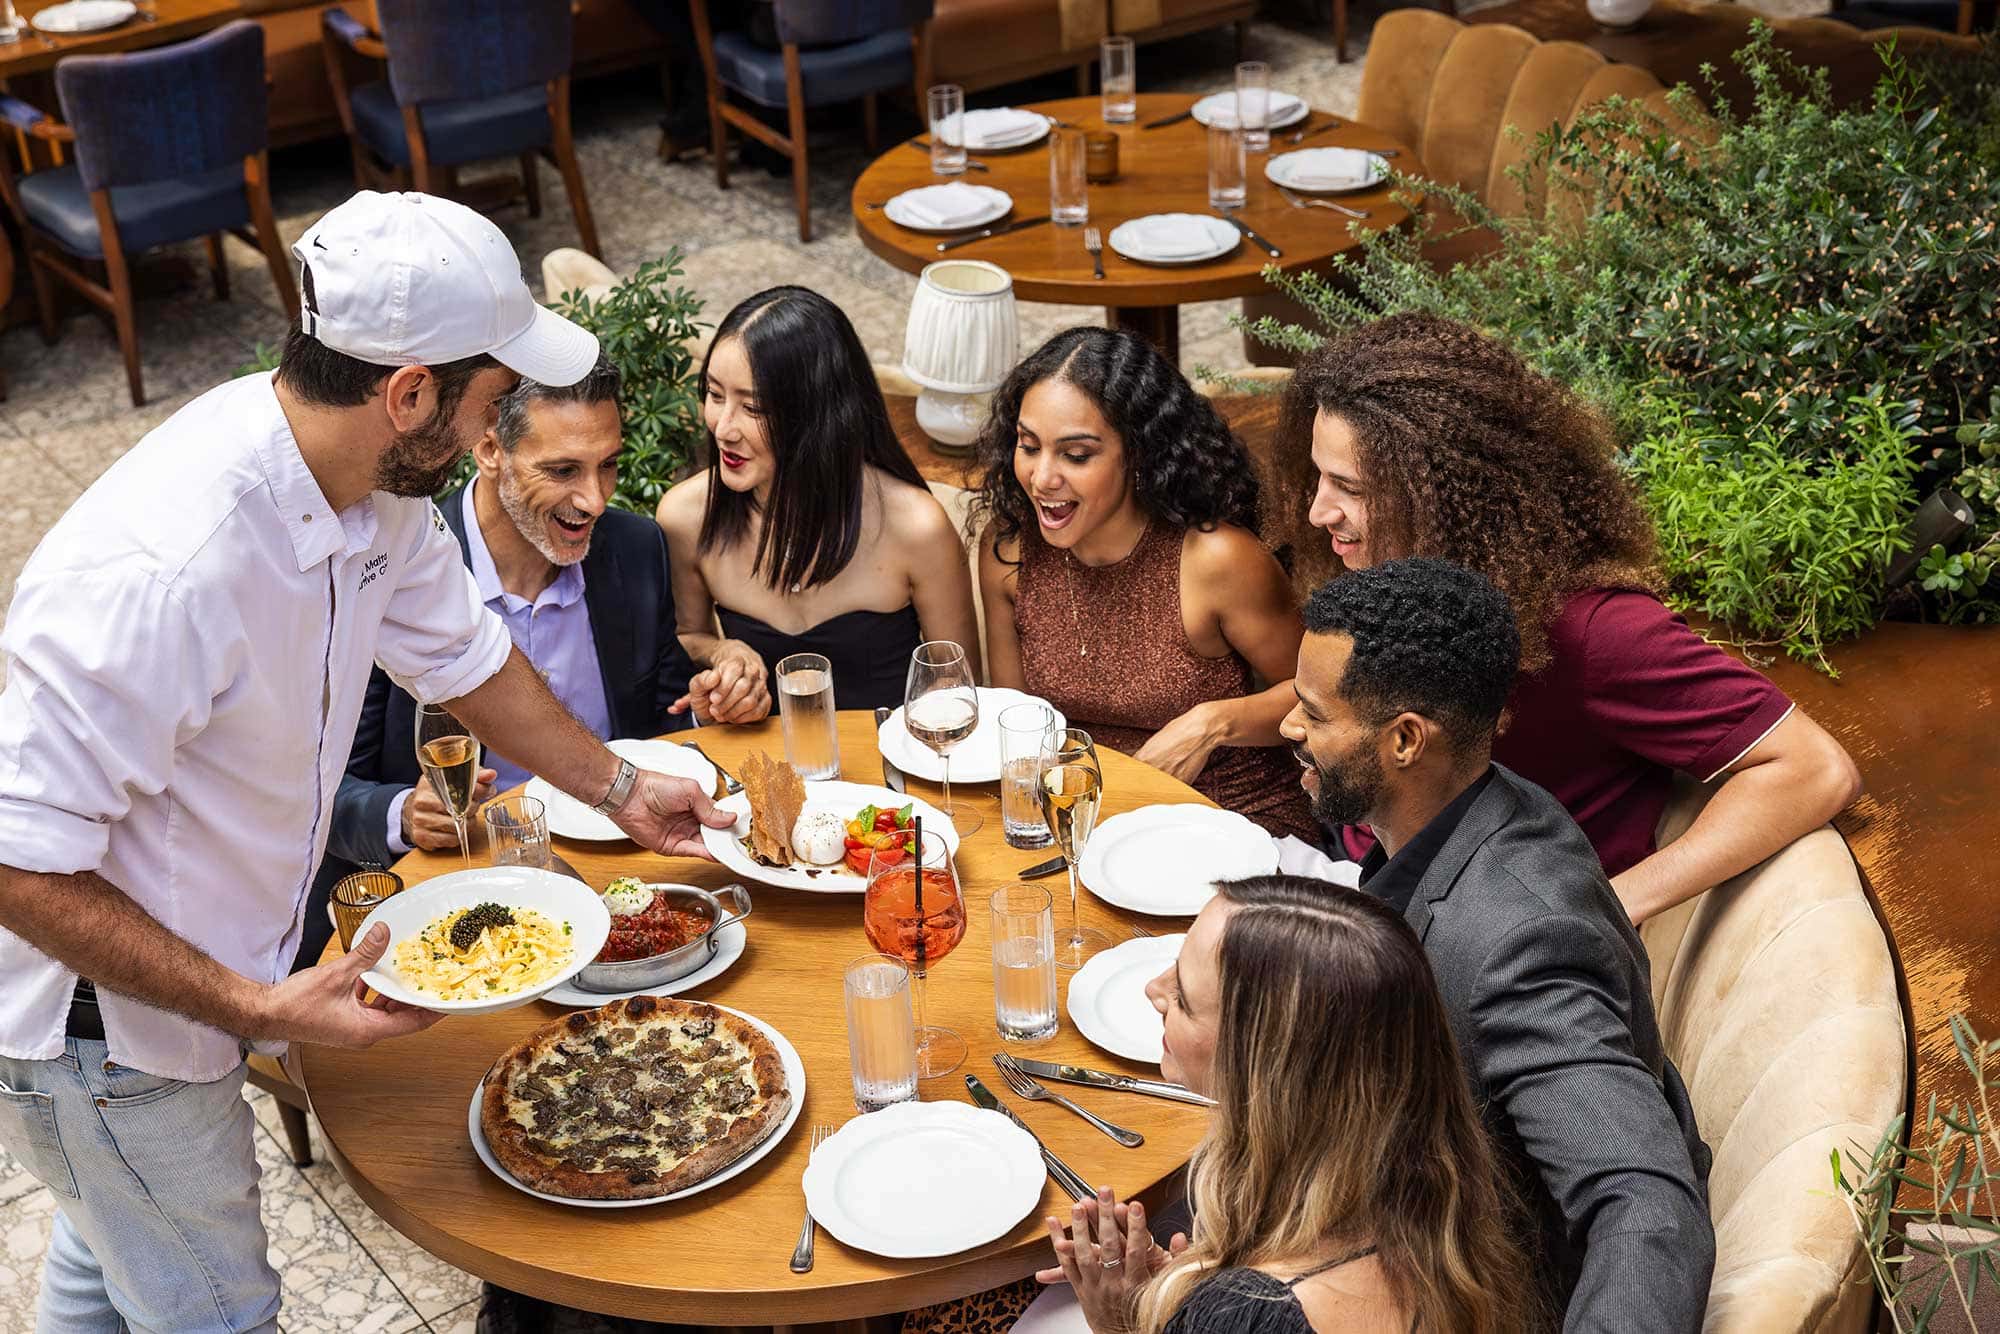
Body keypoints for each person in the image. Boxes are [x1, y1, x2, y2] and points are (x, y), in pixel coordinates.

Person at [0, 191, 735, 1333]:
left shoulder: (373, 487)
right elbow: (14, 861)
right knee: (214, 1311)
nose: (495, 421)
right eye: (493, 397)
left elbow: (474, 663)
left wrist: (624, 788)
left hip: (175, 987)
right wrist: (255, 999)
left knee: (104, 1263)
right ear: (410, 395)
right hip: (105, 1032)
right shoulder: (167, 566)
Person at [1284, 313, 1862, 922]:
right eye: (1319, 476)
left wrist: (1611, 908)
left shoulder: (1593, 630)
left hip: (1467, 930)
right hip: (1358, 865)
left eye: (1351, 488)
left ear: (1447, 492)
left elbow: (1814, 768)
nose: (1321, 511)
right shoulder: (1396, 573)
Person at [1281, 557, 1715, 1328]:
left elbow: (1645, 1203)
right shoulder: (1486, 803)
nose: (1290, 728)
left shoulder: (1522, 947)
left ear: (1406, 740)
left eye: (1314, 714)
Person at [295, 355, 772, 973]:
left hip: (620, 869)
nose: (595, 500)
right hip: (459, 894)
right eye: (563, 470)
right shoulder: (393, 571)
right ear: (488, 447)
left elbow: (665, 721)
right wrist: (402, 814)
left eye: (609, 466)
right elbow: (319, 791)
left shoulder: (633, 550)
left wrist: (710, 703)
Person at [971, 326, 1314, 840]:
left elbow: (1318, 699)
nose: (1042, 478)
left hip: (1227, 816)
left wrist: (1212, 723)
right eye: (1028, 446)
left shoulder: (1216, 559)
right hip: (1088, 818)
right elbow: (1019, 727)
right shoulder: (1010, 553)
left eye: (1076, 455)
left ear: (1139, 455)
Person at [656, 286, 981, 711]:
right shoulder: (686, 516)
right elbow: (685, 641)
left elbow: (958, 688)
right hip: (761, 768)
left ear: (819, 414)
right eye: (716, 396)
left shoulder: (916, 527)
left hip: (893, 764)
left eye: (753, 408)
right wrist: (723, 656)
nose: (723, 428)